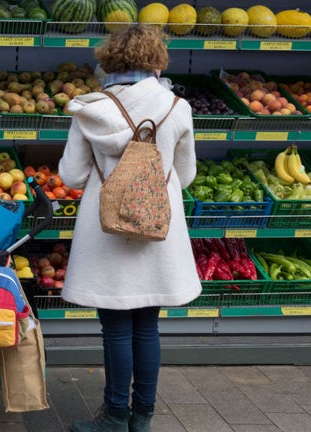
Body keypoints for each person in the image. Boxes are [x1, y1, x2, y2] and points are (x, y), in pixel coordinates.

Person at [57, 24, 202, 432]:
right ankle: (143, 418)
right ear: (157, 59)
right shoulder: (177, 107)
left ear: (109, 59)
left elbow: (70, 174)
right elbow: (186, 175)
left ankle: (115, 416)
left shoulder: (90, 107)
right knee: (147, 326)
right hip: (157, 227)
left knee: (116, 329)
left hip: (106, 232)